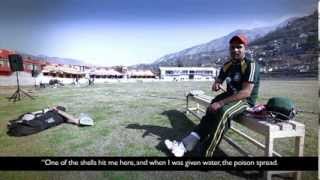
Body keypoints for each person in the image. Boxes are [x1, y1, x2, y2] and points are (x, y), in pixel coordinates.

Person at [165, 34, 260, 157]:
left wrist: (220, 103)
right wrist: (216, 84)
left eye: (239, 47)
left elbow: (246, 92)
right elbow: (218, 80)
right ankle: (186, 144)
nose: (235, 50)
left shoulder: (251, 65)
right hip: (230, 95)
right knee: (210, 110)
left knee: (223, 113)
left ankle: (207, 155)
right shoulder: (228, 65)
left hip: (244, 100)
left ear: (244, 48)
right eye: (232, 47)